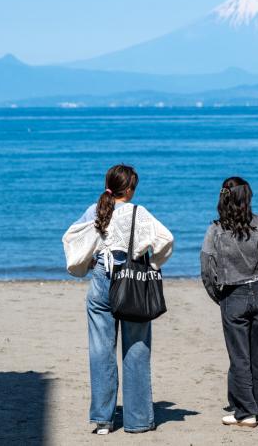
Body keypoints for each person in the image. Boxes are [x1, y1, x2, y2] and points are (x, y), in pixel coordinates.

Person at [62, 164, 174, 435]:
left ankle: (103, 420)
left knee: (101, 350)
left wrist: (89, 263)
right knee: (136, 348)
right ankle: (137, 421)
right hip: (133, 282)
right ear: (131, 189)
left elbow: (72, 237)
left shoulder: (95, 209)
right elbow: (166, 240)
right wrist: (155, 264)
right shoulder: (139, 213)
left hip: (101, 280)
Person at [200, 176, 258, 428]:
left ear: (223, 197)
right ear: (247, 198)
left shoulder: (216, 229)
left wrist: (217, 296)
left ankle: (245, 412)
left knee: (239, 356)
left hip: (233, 295)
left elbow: (207, 268)